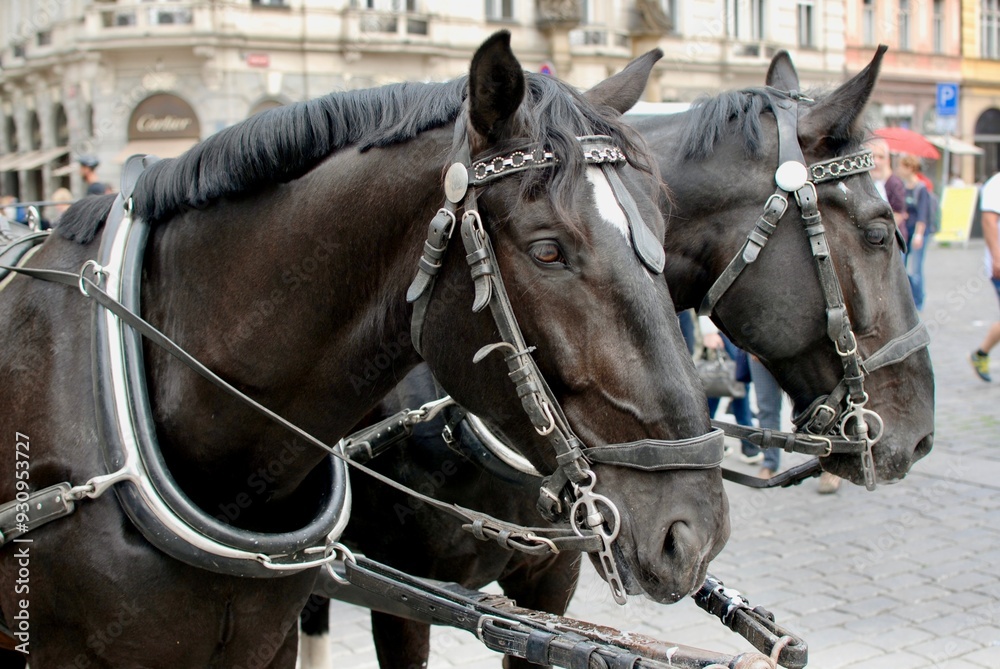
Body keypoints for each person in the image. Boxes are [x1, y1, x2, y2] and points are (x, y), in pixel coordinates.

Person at [699, 316, 761, 464]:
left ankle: (706, 436)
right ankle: (748, 445)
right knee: (734, 384)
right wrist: (709, 331)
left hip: (736, 329)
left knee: (719, 385)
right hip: (723, 328)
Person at [970, 170, 1000, 382]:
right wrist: (997, 258)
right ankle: (981, 354)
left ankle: (981, 353)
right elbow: (989, 222)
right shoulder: (995, 184)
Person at [897, 154, 931, 311]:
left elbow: (923, 214)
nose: (899, 169)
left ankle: (918, 301)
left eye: (902, 166)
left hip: (918, 231)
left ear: (910, 168)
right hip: (905, 230)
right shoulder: (903, 187)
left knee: (916, 268)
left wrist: (919, 235)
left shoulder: (921, 188)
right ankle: (907, 299)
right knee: (902, 266)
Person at [748, 357, 783, 480]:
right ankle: (769, 463)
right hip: (761, 353)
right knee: (766, 409)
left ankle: (825, 462)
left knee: (810, 406)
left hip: (800, 351)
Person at [868, 138, 907, 229]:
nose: (876, 161)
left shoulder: (894, 183)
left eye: (881, 157)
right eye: (872, 156)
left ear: (888, 160)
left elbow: (899, 213)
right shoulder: (863, 183)